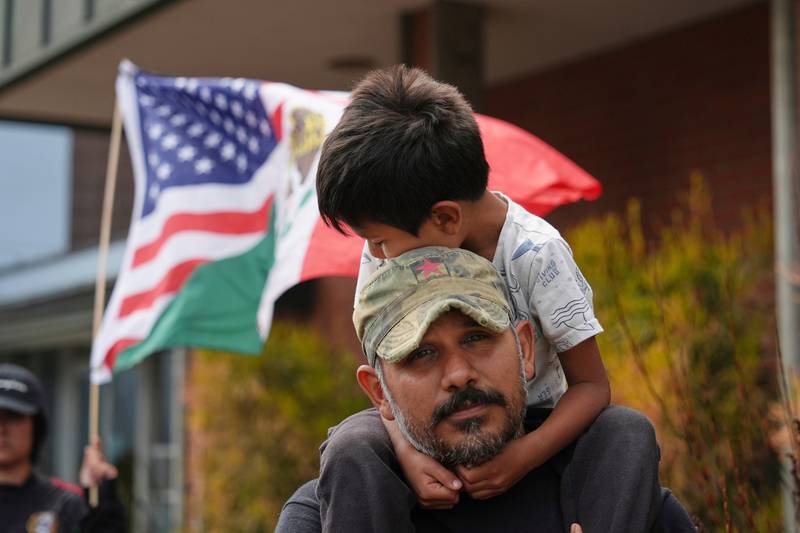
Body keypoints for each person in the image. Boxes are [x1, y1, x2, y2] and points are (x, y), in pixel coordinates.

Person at [312, 64, 655, 531]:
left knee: (627, 434)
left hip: (531, 425)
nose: (373, 253)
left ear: (446, 220)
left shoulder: (537, 253)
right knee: (350, 442)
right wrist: (407, 453)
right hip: (427, 425)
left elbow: (593, 386)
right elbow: (388, 385)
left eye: (380, 240)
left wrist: (524, 456)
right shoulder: (386, 254)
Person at [277, 247, 694, 532]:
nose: (458, 374)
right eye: (420, 353)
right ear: (379, 392)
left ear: (525, 348)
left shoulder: (625, 502)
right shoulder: (325, 517)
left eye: (477, 337)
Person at [0, 364, 126, 532]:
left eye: (13, 417)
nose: (2, 429)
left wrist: (104, 507)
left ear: (36, 426)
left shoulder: (66, 507)